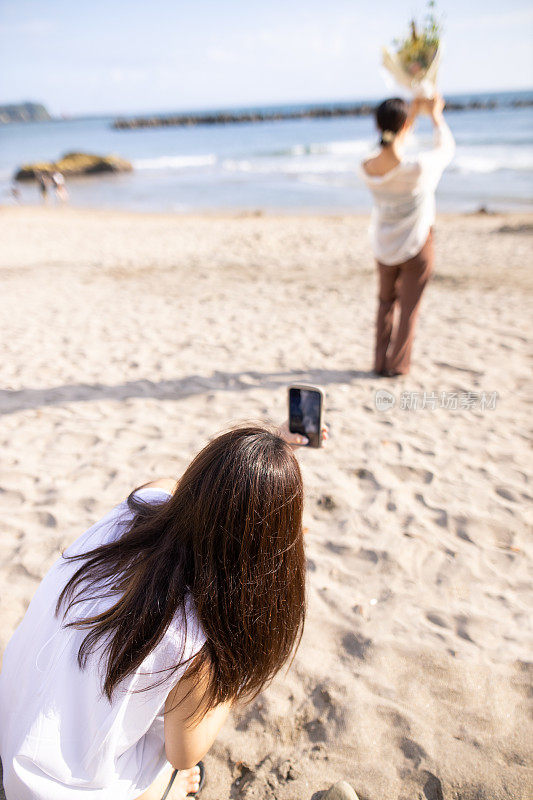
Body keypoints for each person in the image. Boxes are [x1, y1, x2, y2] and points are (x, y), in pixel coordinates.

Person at [0, 422, 323, 800]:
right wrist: (231, 673)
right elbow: (185, 753)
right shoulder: (197, 636)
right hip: (48, 791)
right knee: (176, 762)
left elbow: (172, 483)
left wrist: (258, 458)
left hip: (14, 727)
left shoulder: (139, 506)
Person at [360, 94, 455, 376]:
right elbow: (446, 148)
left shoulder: (366, 167)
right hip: (416, 245)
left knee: (385, 303)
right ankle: (397, 366)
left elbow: (392, 141)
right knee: (408, 309)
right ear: (405, 128)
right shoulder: (418, 169)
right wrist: (435, 115)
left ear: (378, 127)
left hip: (384, 245)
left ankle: (379, 363)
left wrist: (407, 117)